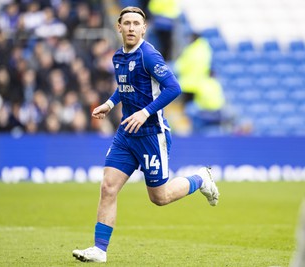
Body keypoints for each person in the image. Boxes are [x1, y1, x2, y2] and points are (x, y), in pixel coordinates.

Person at [72, 6, 220, 263]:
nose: (130, 27)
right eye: (126, 23)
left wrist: (145, 113)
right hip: (126, 134)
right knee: (107, 187)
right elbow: (125, 87)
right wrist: (109, 103)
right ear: (118, 27)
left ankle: (201, 178)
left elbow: (174, 87)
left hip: (151, 134)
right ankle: (99, 249)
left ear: (143, 28)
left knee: (159, 198)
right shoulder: (118, 57)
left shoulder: (149, 56)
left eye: (135, 23)